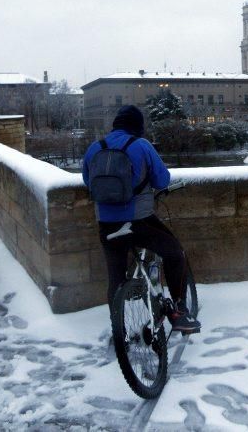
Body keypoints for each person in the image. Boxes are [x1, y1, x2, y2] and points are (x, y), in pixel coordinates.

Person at [82, 105, 200, 334]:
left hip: (106, 224)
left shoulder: (94, 148)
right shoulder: (141, 146)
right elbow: (162, 180)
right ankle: (178, 311)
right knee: (175, 254)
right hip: (138, 221)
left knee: (115, 277)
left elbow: (89, 182)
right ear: (138, 127)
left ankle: (119, 331)